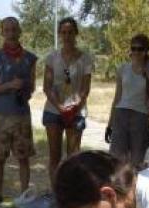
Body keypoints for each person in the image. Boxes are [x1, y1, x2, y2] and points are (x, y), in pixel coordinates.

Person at [0, 16, 38, 202]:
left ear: (19, 32)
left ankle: (24, 196)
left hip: (22, 115)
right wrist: (10, 86)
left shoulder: (30, 58)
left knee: (23, 158)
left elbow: (32, 86)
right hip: (0, 116)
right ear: (2, 32)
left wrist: (25, 90)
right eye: (7, 30)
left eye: (14, 29)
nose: (11, 34)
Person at [42, 17, 93, 187]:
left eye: (70, 32)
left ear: (76, 33)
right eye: (63, 32)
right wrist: (60, 107)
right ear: (59, 34)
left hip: (76, 112)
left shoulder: (85, 59)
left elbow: (85, 88)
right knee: (54, 156)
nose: (67, 35)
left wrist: (74, 106)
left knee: (73, 157)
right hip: (53, 111)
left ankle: (71, 194)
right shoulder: (51, 58)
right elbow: (47, 87)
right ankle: (56, 192)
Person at [106, 34, 149, 168]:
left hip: (141, 117)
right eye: (133, 48)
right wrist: (109, 124)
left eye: (139, 49)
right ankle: (117, 189)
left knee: (136, 162)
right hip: (121, 115)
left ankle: (134, 188)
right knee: (116, 161)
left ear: (146, 50)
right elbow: (117, 97)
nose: (136, 52)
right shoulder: (123, 69)